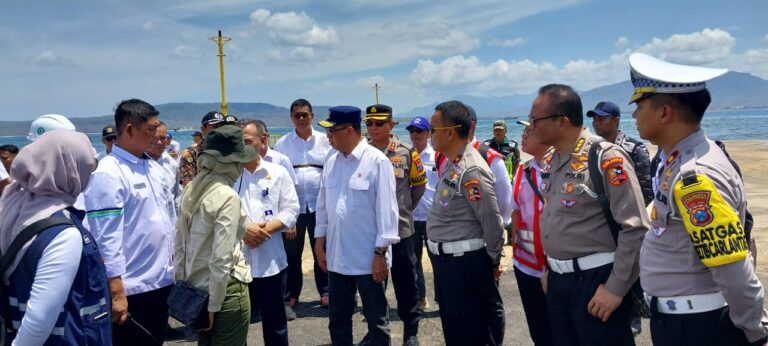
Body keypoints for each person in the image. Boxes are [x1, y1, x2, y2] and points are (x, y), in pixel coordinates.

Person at [629, 52, 768, 345]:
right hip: (682, 321)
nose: (634, 115)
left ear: (664, 113)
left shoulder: (695, 176)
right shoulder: (673, 159)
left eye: (639, 106)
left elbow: (732, 267)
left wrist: (755, 331)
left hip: (697, 328)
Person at [530, 84, 649, 345]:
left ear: (562, 122)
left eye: (535, 119)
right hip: (559, 280)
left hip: (596, 281)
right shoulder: (552, 158)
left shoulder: (605, 156)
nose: (531, 125)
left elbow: (636, 227)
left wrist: (616, 288)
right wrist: (552, 269)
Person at [0, 130, 111, 345]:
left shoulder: (12, 205)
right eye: (88, 166)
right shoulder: (62, 232)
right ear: (71, 171)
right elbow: (39, 320)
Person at [84, 99, 175, 345]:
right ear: (130, 129)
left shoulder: (153, 167)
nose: (157, 136)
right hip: (133, 286)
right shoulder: (109, 173)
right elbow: (106, 237)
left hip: (161, 280)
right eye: (151, 129)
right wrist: (116, 290)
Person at [314, 106, 400, 346]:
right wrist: (319, 242)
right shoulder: (331, 160)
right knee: (338, 319)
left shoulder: (377, 161)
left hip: (367, 259)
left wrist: (380, 253)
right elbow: (323, 204)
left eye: (332, 131)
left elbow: (387, 212)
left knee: (376, 321)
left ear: (349, 130)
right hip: (337, 257)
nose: (328, 136)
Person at [426, 100, 504, 346]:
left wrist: (493, 260)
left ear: (450, 132)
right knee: (456, 333)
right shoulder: (453, 161)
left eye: (433, 130)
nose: (429, 135)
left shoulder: (471, 170)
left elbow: (492, 220)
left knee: (473, 333)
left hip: (465, 265)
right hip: (449, 264)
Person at [175, 125, 254, 345]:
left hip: (196, 289)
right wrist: (214, 305)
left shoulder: (192, 189)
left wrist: (182, 286)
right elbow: (222, 257)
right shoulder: (227, 195)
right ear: (233, 162)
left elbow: (180, 245)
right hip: (226, 291)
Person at [365, 104, 427, 345]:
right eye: (369, 123)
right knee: (373, 284)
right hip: (371, 230)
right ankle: (375, 330)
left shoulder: (406, 152)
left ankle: (411, 332)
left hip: (401, 229)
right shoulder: (362, 153)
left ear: (391, 125)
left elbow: (419, 186)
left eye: (379, 123)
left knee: (406, 282)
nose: (373, 128)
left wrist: (402, 209)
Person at [235, 119, 299, 345]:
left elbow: (291, 208)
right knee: (236, 325)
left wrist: (264, 231)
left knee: (275, 324)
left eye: (247, 141)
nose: (242, 145)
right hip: (236, 263)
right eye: (239, 141)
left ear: (262, 141)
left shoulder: (278, 172)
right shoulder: (227, 174)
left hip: (271, 261)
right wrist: (244, 230)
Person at [273, 99, 331, 315]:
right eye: (297, 115)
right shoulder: (283, 144)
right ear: (291, 117)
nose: (301, 118)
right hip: (293, 209)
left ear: (312, 116)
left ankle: (326, 291)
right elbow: (277, 178)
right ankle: (291, 295)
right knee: (292, 254)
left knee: (321, 250)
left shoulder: (325, 140)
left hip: (320, 206)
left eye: (304, 114)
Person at [509, 120, 553, 346]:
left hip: (554, 271)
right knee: (539, 332)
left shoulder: (561, 169)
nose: (523, 135)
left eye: (529, 131)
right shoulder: (522, 170)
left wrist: (549, 268)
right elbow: (516, 213)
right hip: (525, 266)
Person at [588, 101, 653, 205]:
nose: (596, 123)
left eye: (601, 118)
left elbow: (647, 192)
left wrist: (626, 211)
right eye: (594, 119)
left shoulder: (634, 149)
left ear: (616, 120)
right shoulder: (593, 149)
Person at [407, 116, 438, 312]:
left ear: (428, 133)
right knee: (414, 261)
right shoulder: (405, 156)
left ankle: (442, 298)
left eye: (418, 130)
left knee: (438, 261)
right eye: (411, 131)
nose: (414, 134)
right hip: (411, 217)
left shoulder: (437, 156)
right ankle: (420, 298)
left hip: (433, 217)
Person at [147, 121, 181, 223]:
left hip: (171, 223)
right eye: (155, 138)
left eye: (162, 138)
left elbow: (176, 196)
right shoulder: (137, 164)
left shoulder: (172, 164)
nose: (159, 142)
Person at [180, 111, 228, 186]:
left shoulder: (229, 151)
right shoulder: (191, 153)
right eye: (214, 126)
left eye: (222, 127)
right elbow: (188, 185)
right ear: (203, 129)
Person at [249, 119, 298, 185]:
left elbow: (291, 186)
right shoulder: (243, 163)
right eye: (256, 136)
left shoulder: (282, 160)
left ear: (267, 137)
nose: (262, 139)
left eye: (263, 136)